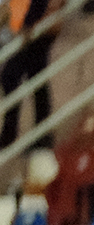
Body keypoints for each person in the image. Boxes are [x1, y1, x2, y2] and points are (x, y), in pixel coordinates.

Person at [0, 0, 58, 150]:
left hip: (37, 26)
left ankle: (11, 134)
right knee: (35, 79)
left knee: (12, 77)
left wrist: (33, 25)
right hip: (34, 23)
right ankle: (41, 134)